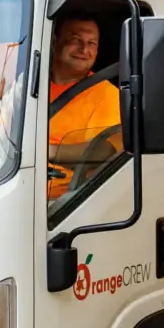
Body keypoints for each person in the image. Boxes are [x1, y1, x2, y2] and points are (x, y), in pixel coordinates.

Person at [47, 15, 122, 200]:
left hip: (64, 202)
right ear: (54, 42)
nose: (84, 49)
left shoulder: (105, 94)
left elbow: (102, 151)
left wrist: (46, 151)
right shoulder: (27, 85)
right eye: (75, 40)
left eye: (92, 43)